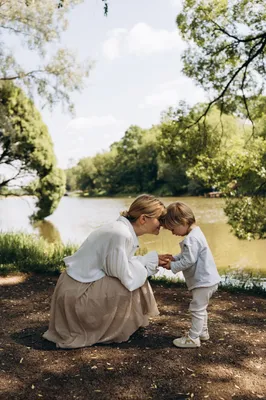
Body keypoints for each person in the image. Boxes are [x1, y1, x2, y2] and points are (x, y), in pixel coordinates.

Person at [43, 194, 170, 349]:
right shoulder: (120, 233)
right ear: (143, 219)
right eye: (160, 219)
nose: (162, 224)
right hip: (78, 294)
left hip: (76, 286)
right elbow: (126, 277)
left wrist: (149, 260)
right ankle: (107, 328)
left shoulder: (122, 229)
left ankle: (125, 324)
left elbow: (123, 264)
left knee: (139, 274)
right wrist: (149, 263)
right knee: (135, 281)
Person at [161, 201, 220, 348]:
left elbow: (189, 260)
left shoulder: (191, 239)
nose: (173, 233)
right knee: (201, 308)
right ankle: (203, 333)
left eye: (173, 229)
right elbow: (187, 254)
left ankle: (193, 338)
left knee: (196, 309)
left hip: (203, 281)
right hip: (209, 280)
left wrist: (171, 266)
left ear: (182, 222)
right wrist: (175, 257)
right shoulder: (196, 233)